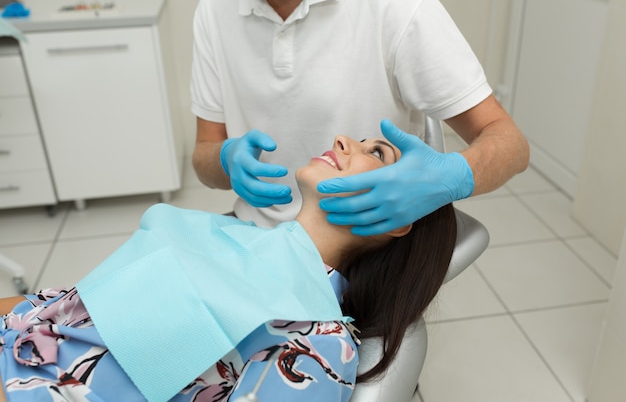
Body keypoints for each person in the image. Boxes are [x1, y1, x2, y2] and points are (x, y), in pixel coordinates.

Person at [0, 128, 456, 402]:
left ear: (399, 219)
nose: (342, 138)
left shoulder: (317, 341)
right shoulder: (236, 237)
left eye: (377, 154)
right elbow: (73, 308)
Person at [191, 0, 530, 234]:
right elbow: (204, 154)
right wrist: (224, 159)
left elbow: (510, 143)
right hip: (256, 236)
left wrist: (453, 176)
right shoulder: (215, 2)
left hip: (357, 245)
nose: (339, 142)